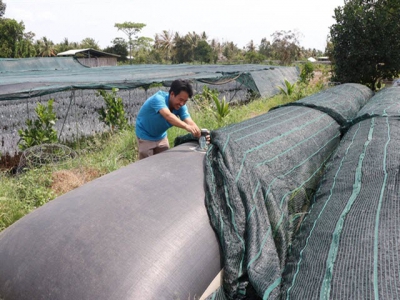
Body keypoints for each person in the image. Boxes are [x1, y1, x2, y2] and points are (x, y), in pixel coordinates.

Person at [135, 79, 202, 160]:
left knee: (165, 162)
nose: (182, 104)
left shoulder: (181, 106)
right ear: (172, 94)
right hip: (145, 136)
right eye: (180, 100)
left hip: (161, 136)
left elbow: (189, 121)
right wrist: (186, 127)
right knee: (147, 165)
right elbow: (168, 116)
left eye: (185, 101)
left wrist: (200, 134)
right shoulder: (158, 99)